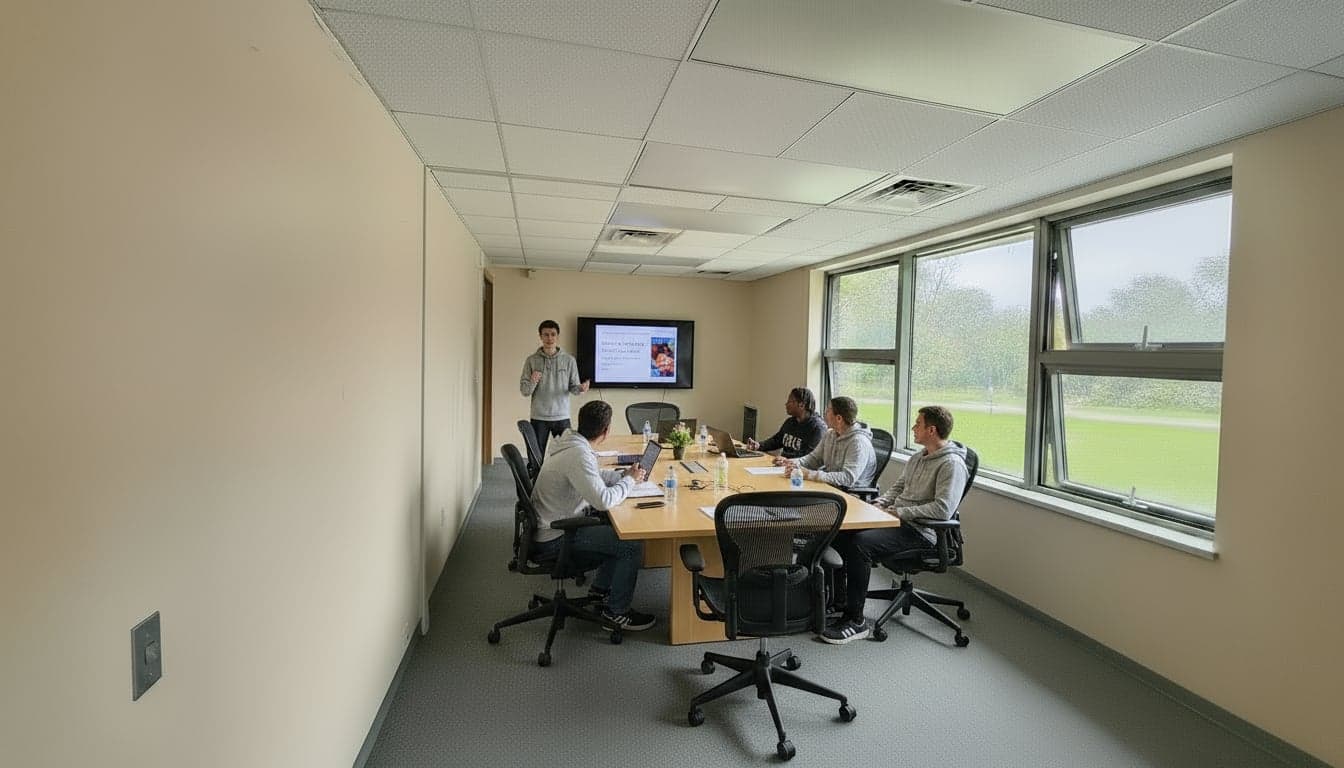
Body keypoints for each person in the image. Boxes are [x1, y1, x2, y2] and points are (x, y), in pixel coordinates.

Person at [819, 405, 968, 645]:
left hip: (922, 532)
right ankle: (840, 601)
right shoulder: (919, 457)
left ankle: (856, 621)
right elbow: (899, 487)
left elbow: (942, 509)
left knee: (860, 544)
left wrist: (900, 512)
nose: (913, 428)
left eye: (918, 424)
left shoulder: (951, 464)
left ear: (932, 430)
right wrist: (881, 502)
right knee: (841, 533)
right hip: (897, 521)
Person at [530, 400, 657, 631]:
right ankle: (616, 613)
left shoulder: (573, 445)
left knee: (611, 527)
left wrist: (623, 476)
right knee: (629, 544)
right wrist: (630, 481)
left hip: (554, 525)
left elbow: (594, 475)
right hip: (557, 536)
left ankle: (600, 590)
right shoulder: (578, 455)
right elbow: (603, 500)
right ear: (606, 431)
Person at [519, 320, 589, 457]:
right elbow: (525, 391)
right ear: (540, 336)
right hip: (539, 416)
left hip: (562, 416)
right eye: (546, 334)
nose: (549, 338)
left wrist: (581, 388)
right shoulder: (531, 360)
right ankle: (536, 473)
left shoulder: (569, 360)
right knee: (535, 457)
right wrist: (533, 380)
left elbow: (574, 389)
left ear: (558, 336)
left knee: (566, 455)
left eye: (553, 334)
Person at [777, 396, 876, 489]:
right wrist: (791, 462)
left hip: (850, 492)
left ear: (839, 418)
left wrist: (809, 474)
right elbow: (814, 459)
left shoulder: (858, 442)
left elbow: (847, 478)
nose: (825, 414)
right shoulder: (830, 434)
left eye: (828, 410)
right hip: (830, 486)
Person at [746, 387, 826, 459]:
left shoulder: (817, 428)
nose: (786, 404)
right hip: (784, 464)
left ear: (801, 405)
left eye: (789, 401)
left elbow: (808, 458)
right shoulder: (790, 422)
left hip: (797, 468)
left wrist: (785, 460)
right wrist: (758, 445)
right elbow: (776, 440)